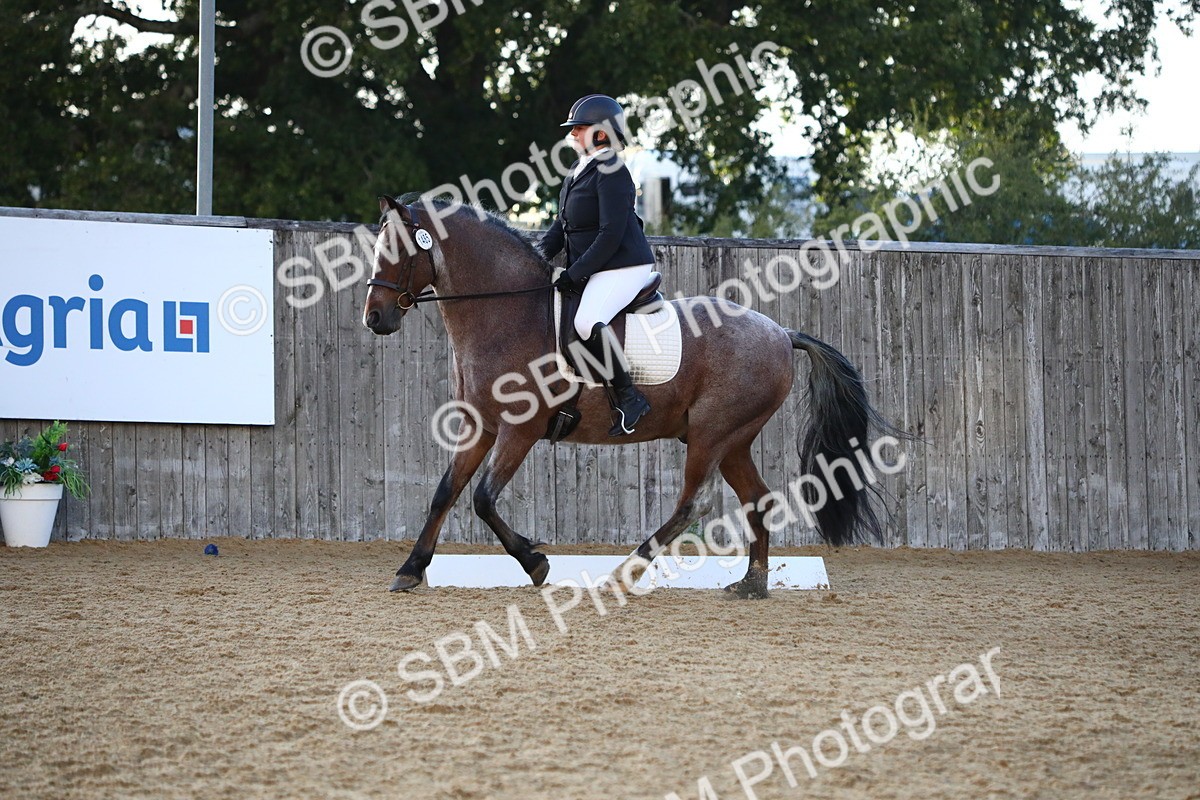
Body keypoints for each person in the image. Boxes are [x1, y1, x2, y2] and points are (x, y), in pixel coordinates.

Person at [537, 94, 655, 436]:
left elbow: (610, 235)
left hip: (623, 265)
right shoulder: (578, 171)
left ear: (602, 134)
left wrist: (575, 274)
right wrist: (536, 257)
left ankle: (631, 399)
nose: (573, 135)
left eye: (580, 128)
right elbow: (561, 227)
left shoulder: (613, 172)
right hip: (598, 265)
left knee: (587, 320)